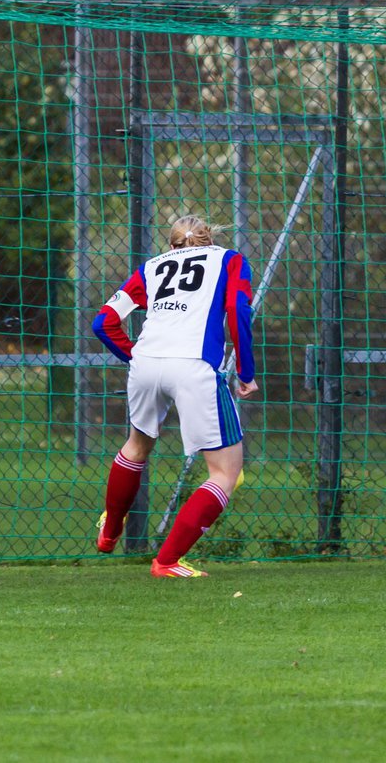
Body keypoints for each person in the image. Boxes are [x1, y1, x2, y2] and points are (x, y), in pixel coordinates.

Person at [91, 215, 259, 578]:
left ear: (172, 246)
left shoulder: (152, 266)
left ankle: (110, 530)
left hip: (146, 364)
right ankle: (166, 562)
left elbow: (103, 322)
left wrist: (135, 356)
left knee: (136, 447)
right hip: (193, 367)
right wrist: (246, 371)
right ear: (209, 240)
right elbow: (238, 310)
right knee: (225, 473)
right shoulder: (229, 260)